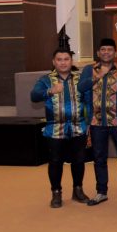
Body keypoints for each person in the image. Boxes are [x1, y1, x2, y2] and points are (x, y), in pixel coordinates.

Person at [78, 38, 117, 206]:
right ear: (98, 52)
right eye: (103, 49)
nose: (106, 52)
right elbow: (80, 88)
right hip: (96, 123)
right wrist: (96, 77)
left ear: (115, 53)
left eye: (110, 50)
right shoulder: (89, 70)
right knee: (99, 158)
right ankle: (101, 192)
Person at [30, 48, 91, 208]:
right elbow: (34, 96)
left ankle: (78, 190)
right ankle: (56, 192)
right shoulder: (45, 80)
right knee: (55, 161)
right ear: (54, 62)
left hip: (78, 127)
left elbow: (89, 101)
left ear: (71, 61)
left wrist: (89, 123)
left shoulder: (80, 79)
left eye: (66, 59)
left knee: (79, 160)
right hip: (55, 129)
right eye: (59, 59)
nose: (63, 62)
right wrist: (50, 91)